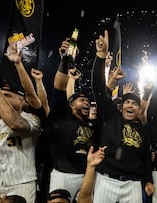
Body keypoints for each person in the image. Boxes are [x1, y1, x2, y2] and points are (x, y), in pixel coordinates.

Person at [91, 30, 154, 202]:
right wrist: (101, 57)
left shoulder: (142, 129)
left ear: (139, 109)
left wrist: (148, 179)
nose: (130, 105)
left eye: (134, 103)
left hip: (132, 184)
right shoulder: (111, 116)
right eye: (127, 102)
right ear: (121, 106)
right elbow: (98, 89)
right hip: (106, 180)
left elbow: (146, 158)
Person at [45, 38, 94, 198]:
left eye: (87, 101)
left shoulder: (91, 124)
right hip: (62, 175)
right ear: (71, 105)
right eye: (82, 100)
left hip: (84, 176)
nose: (86, 102)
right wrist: (65, 61)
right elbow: (59, 88)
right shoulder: (62, 117)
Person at [0, 81, 41, 203]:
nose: (3, 99)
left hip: (21, 182)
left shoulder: (30, 118)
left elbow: (15, 124)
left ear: (22, 101)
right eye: (2, 95)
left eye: (7, 95)